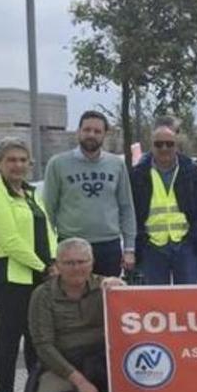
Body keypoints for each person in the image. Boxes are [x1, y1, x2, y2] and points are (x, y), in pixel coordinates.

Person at [25, 238, 146, 392]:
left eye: (82, 262)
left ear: (92, 263)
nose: (76, 268)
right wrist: (79, 381)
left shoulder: (106, 286)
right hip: (64, 361)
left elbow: (138, 323)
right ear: (57, 265)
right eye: (69, 263)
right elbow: (43, 346)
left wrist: (124, 292)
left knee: (135, 359)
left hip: (101, 358)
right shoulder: (43, 295)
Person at [0, 137, 57, 392]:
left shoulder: (31, 193)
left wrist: (53, 260)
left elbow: (47, 228)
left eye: (23, 160)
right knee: (9, 341)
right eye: (11, 160)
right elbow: (10, 240)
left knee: (37, 340)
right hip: (10, 278)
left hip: (39, 274)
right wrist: (42, 266)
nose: (18, 165)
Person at [41, 110, 136, 277]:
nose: (91, 134)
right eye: (87, 130)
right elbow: (48, 210)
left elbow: (126, 207)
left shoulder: (116, 165)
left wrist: (129, 248)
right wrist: (52, 255)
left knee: (106, 298)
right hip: (71, 245)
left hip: (108, 246)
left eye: (97, 131)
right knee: (71, 300)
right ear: (79, 132)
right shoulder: (58, 164)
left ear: (105, 134)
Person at [130, 122, 197, 285]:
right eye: (158, 144)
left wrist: (195, 235)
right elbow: (130, 210)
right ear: (151, 146)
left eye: (169, 144)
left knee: (188, 300)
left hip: (187, 245)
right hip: (152, 247)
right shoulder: (138, 174)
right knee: (155, 302)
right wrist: (140, 238)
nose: (164, 148)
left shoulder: (192, 172)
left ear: (177, 146)